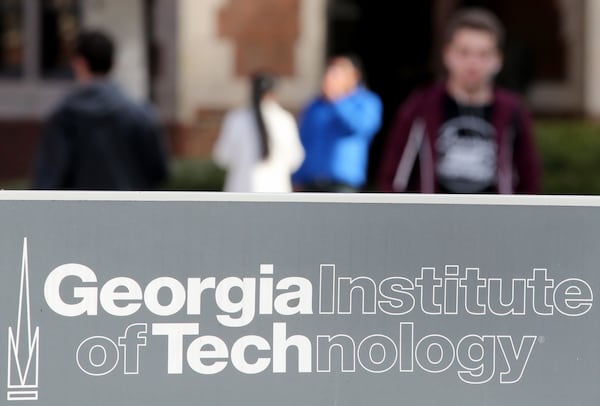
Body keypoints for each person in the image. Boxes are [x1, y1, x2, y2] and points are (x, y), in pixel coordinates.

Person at [378, 8, 541, 194]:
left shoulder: (513, 110)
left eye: (483, 54)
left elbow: (529, 178)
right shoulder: (421, 106)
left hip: (495, 221)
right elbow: (395, 178)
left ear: (497, 60)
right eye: (464, 52)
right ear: (447, 54)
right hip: (434, 220)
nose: (473, 63)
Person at [33, 30, 169, 190]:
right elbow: (159, 171)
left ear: (79, 63)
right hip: (130, 212)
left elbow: (48, 179)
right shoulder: (141, 113)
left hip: (78, 213)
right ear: (113, 64)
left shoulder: (64, 116)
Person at [292, 55, 383, 192]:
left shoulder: (366, 102)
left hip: (343, 184)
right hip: (310, 182)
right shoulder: (315, 106)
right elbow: (303, 141)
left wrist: (338, 99)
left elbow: (362, 127)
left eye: (338, 73)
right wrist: (296, 178)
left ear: (354, 77)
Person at [212, 72, 304, 192]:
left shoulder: (237, 119)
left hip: (241, 190)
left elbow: (222, 156)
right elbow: (295, 158)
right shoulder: (284, 120)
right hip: (276, 191)